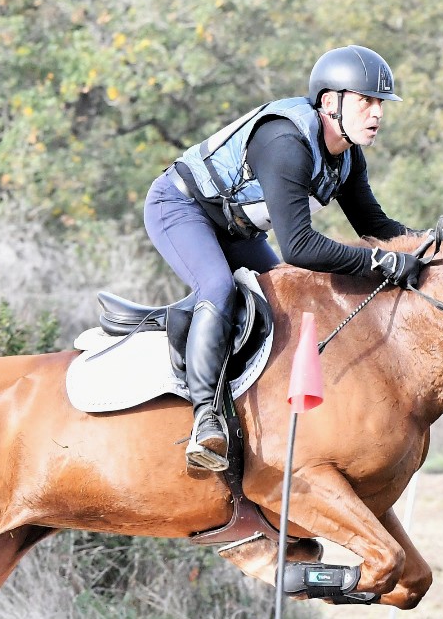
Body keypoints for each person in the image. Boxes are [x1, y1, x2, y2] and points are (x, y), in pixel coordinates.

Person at [144, 45, 423, 472]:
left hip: (237, 228)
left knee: (288, 301)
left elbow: (374, 225)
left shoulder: (346, 157)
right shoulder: (286, 142)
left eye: (381, 103)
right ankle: (206, 418)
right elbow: (300, 248)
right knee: (218, 287)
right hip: (180, 207)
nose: (378, 113)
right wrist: (380, 265)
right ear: (330, 102)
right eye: (366, 100)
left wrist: (429, 246)